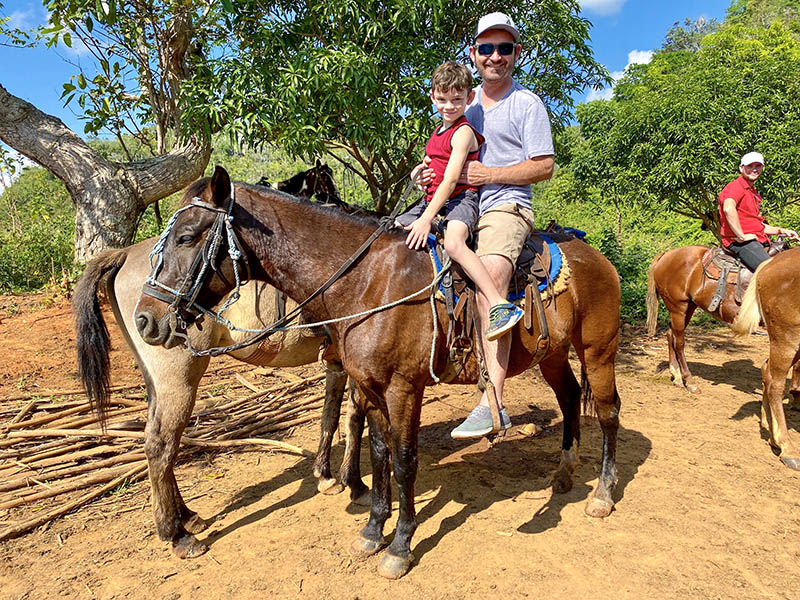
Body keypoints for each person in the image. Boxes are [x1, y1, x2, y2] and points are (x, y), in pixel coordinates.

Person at [414, 12, 554, 439]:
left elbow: (544, 166)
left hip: (505, 205)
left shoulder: (526, 103)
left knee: (490, 273)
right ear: (473, 55)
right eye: (487, 48)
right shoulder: (462, 105)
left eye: (505, 48)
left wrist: (488, 176)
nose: (496, 56)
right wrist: (424, 176)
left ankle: (491, 401)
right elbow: (444, 162)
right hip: (460, 203)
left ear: (517, 54)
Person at [398, 61, 525, 342]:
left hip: (461, 199)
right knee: (393, 228)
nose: (448, 106)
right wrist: (417, 172)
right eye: (442, 99)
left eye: (457, 100)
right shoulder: (438, 132)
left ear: (469, 98)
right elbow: (432, 163)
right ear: (432, 96)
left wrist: (426, 218)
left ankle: (497, 303)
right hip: (433, 199)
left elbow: (452, 180)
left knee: (454, 242)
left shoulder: (464, 132)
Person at [719, 151, 798, 272]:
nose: (754, 169)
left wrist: (781, 230)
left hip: (756, 238)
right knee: (772, 273)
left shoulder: (751, 190)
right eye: (750, 166)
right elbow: (728, 208)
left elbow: (756, 226)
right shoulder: (735, 187)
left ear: (762, 168)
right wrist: (741, 236)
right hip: (740, 242)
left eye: (758, 166)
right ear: (741, 168)